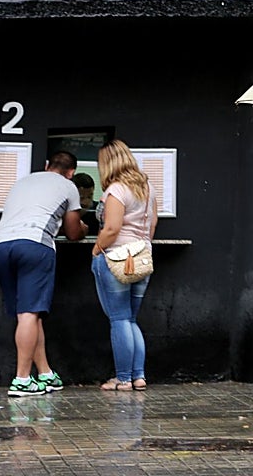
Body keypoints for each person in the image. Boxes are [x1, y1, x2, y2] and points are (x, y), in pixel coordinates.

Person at [0, 151, 84, 397]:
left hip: (1, 247)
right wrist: (84, 227)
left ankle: (45, 374)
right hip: (35, 245)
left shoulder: (23, 181)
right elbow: (73, 232)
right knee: (30, 313)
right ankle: (22, 379)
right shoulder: (68, 186)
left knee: (29, 315)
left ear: (46, 166)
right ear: (71, 172)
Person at [91, 139, 158, 391]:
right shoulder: (147, 187)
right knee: (130, 319)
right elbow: (152, 226)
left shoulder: (116, 190)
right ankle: (138, 376)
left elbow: (111, 228)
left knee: (119, 319)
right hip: (142, 257)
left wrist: (96, 249)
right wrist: (139, 246)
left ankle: (122, 378)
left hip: (116, 259)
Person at [74, 172, 100, 236]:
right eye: (81, 197)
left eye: (89, 197)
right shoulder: (64, 212)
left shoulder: (98, 211)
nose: (86, 202)